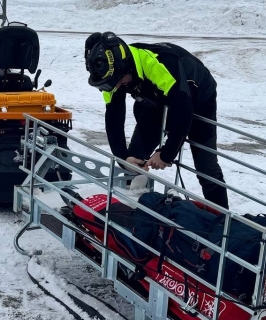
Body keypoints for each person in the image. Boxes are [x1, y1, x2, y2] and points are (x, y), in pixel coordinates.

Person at [84, 32, 229, 208]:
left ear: (126, 67)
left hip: (197, 97)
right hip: (155, 99)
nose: (115, 87)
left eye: (118, 82)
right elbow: (114, 119)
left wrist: (167, 153)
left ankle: (222, 219)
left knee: (206, 168)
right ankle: (132, 212)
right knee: (134, 159)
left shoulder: (156, 64)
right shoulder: (111, 74)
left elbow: (183, 110)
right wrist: (123, 157)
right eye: (109, 84)